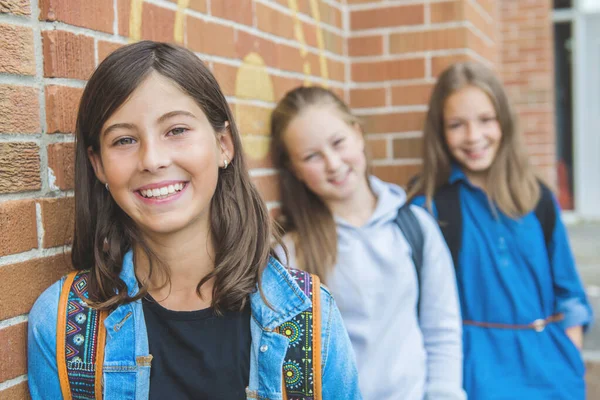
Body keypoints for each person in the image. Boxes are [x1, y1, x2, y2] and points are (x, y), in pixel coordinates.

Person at [27, 41, 361, 400]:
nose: (152, 159)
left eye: (176, 130)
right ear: (98, 165)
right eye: (124, 139)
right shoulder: (65, 325)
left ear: (223, 144)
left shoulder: (309, 317)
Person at [409, 61, 593, 399]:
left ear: (503, 121)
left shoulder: (537, 197)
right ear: (440, 131)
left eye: (485, 120)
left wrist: (569, 354)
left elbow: (569, 293)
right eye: (456, 125)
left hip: (552, 373)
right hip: (475, 375)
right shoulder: (429, 207)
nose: (473, 136)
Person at [270, 86, 465, 400]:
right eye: (312, 156)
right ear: (295, 170)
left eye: (338, 143)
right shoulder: (291, 251)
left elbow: (441, 330)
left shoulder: (415, 227)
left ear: (357, 134)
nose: (333, 163)